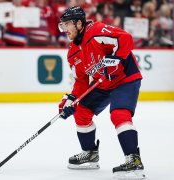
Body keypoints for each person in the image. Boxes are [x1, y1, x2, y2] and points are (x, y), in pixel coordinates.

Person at [58, 6, 146, 179]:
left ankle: (134, 161)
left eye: (67, 24)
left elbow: (126, 39)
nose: (65, 29)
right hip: (104, 83)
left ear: (78, 23)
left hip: (125, 78)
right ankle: (90, 154)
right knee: (81, 111)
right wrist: (71, 100)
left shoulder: (97, 31)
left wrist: (117, 58)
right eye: (63, 25)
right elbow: (82, 81)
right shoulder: (73, 52)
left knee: (119, 114)